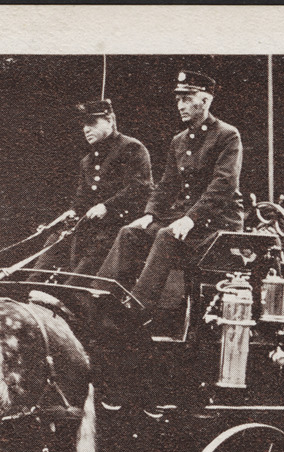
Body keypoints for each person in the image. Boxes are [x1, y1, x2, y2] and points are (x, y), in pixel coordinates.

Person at [95, 70, 245, 313]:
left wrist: (190, 218)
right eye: (178, 99)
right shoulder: (179, 140)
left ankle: (137, 309)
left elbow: (224, 184)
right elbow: (167, 185)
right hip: (185, 220)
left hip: (217, 222)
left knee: (167, 235)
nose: (180, 105)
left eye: (187, 99)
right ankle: (99, 299)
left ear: (205, 100)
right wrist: (150, 214)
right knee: (130, 232)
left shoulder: (227, 135)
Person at [31, 99, 153, 278]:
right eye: (83, 125)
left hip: (120, 225)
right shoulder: (87, 161)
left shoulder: (131, 147)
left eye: (92, 123)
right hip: (92, 226)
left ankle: (71, 294)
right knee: (54, 240)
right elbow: (83, 198)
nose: (86, 129)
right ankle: (30, 290)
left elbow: (140, 187)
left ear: (110, 120)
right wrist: (71, 212)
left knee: (86, 266)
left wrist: (107, 206)